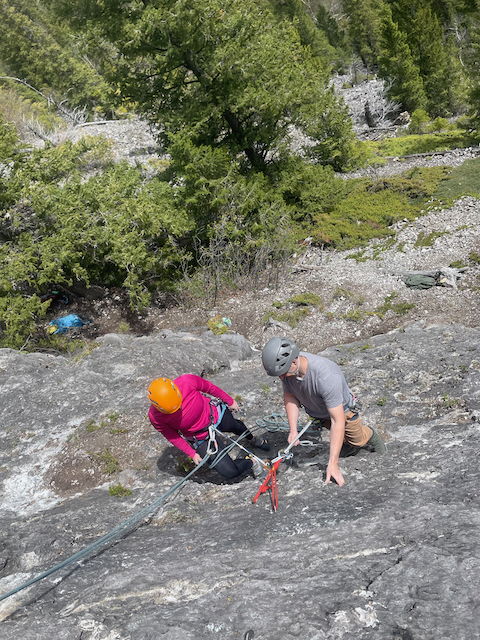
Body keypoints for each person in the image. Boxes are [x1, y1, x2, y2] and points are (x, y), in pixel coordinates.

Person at [261, 337, 386, 487]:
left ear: (294, 362)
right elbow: (290, 396)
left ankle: (370, 435)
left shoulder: (326, 376)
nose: (281, 378)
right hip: (318, 411)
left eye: (282, 373)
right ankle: (347, 444)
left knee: (357, 440)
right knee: (339, 435)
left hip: (342, 411)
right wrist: (293, 430)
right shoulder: (288, 370)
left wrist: (333, 463)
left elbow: (337, 420)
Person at [148, 374, 269, 480]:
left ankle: (252, 438)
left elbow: (209, 388)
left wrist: (230, 401)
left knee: (235, 426)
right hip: (200, 437)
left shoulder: (186, 381)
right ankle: (252, 462)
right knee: (230, 472)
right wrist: (192, 453)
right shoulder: (155, 417)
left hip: (214, 415)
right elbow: (172, 436)